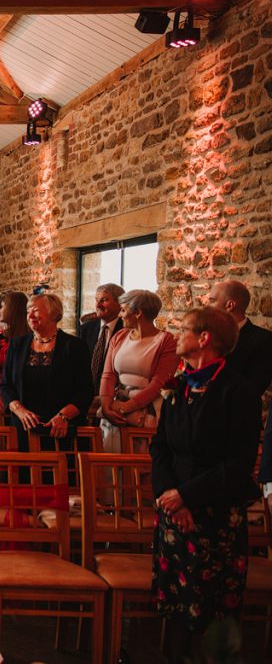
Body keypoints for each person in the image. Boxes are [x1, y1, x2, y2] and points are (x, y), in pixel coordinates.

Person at [150, 306, 261, 663]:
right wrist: (171, 497)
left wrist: (187, 496)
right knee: (175, 607)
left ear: (204, 338)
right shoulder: (180, 386)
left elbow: (239, 464)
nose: (177, 333)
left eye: (183, 328)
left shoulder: (237, 392)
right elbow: (161, 447)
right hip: (174, 514)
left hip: (215, 517)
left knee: (214, 609)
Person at [0, 293, 94, 452]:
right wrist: (19, 410)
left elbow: (85, 391)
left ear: (54, 314)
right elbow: (5, 386)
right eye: (28, 310)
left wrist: (64, 416)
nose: (30, 315)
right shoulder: (17, 345)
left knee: (60, 476)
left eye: (36, 310)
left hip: (59, 430)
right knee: (24, 476)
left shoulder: (74, 346)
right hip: (23, 429)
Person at [98, 290, 178, 452]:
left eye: (123, 310)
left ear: (138, 313)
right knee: (110, 467)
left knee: (141, 468)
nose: (120, 315)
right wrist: (106, 405)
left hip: (147, 412)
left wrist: (124, 408)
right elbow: (108, 375)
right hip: (115, 409)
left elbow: (159, 384)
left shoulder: (166, 341)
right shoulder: (119, 336)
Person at [210, 280, 272, 395]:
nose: (207, 306)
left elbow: (253, 389)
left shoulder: (263, 340)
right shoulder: (206, 336)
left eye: (212, 300)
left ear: (230, 305)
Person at [0, 291, 30, 419]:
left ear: (13, 310)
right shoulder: (1, 339)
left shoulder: (32, 340)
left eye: (3, 306)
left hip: (25, 401)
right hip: (1, 400)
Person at [81, 283, 125, 392]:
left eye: (104, 300)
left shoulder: (126, 330)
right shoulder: (85, 329)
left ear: (119, 303)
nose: (98, 305)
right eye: (96, 300)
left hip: (114, 392)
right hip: (86, 392)